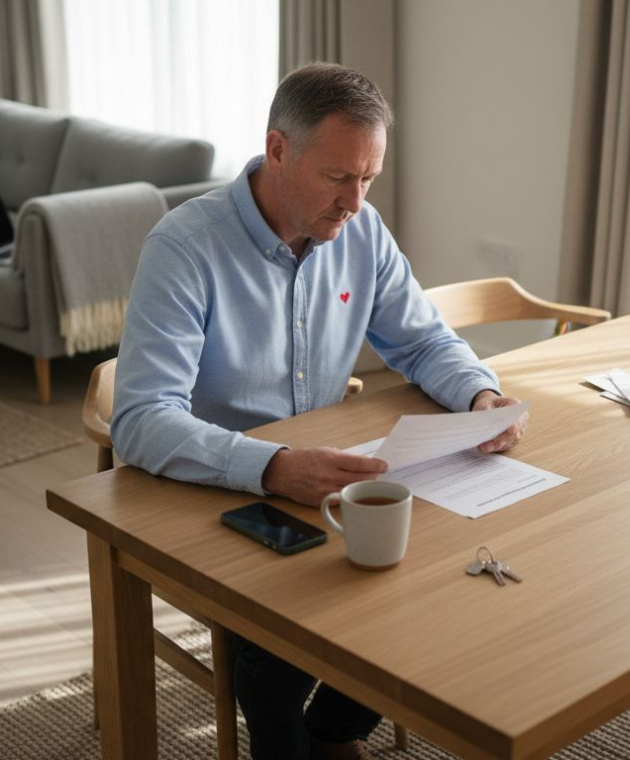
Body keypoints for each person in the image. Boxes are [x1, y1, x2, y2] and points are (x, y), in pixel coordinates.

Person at [111, 62, 528, 760]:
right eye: (339, 177)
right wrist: (272, 467)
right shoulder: (185, 248)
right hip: (216, 494)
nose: (356, 202)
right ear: (278, 150)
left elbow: (423, 340)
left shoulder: (360, 234)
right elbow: (141, 418)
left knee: (437, 581)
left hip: (325, 479)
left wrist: (479, 395)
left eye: (369, 178)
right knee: (283, 654)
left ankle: (334, 733)